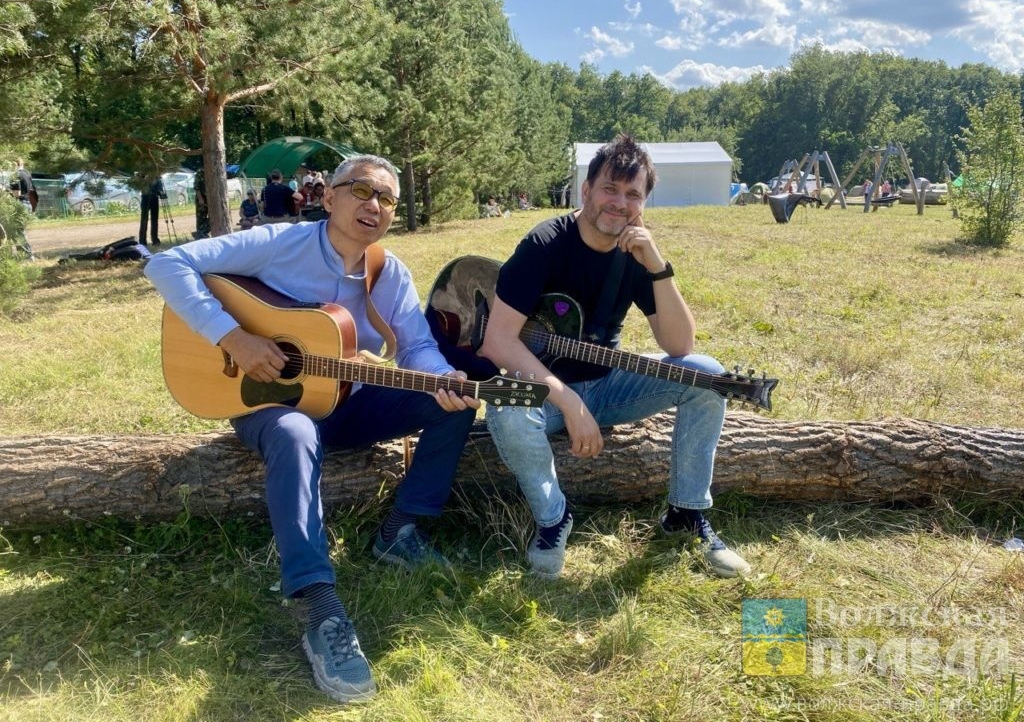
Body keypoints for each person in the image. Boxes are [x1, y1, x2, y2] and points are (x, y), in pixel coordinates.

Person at [145, 154, 480, 704]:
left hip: (350, 398)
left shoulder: (386, 271)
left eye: (387, 198)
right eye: (361, 190)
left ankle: (401, 531)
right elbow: (167, 265)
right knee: (297, 433)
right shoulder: (280, 241)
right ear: (329, 197)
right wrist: (235, 338)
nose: (374, 205)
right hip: (268, 402)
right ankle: (319, 605)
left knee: (456, 405)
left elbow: (417, 345)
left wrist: (444, 378)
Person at [478, 134, 751, 581]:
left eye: (632, 194)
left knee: (709, 376)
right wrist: (569, 402)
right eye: (609, 188)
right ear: (586, 191)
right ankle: (553, 519)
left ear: (643, 204)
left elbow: (680, 347)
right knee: (504, 408)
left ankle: (685, 512)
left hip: (610, 385)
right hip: (545, 392)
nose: (619, 203)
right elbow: (499, 341)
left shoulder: (636, 253)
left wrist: (657, 264)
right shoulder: (545, 243)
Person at [139, 175, 166, 247]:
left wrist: (161, 193)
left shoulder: (156, 175)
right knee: (144, 219)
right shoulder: (143, 174)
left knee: (154, 219)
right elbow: (140, 186)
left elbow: (159, 186)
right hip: (145, 197)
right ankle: (142, 240)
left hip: (154, 197)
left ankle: (155, 239)